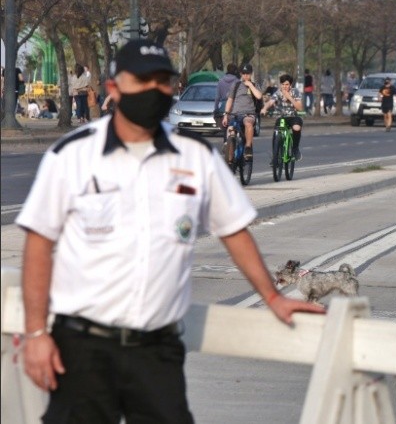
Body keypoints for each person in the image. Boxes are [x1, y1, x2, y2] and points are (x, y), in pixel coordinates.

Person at [16, 39, 324, 423]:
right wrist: (35, 334)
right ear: (114, 89)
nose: (154, 90)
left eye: (163, 81)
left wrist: (274, 297)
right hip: (82, 348)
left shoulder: (196, 156)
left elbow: (234, 230)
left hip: (157, 351)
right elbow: (38, 244)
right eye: (142, 80)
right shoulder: (72, 156)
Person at [222, 63, 262, 161]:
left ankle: (248, 147)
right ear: (240, 74)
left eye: (247, 73)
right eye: (243, 74)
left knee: (248, 123)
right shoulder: (236, 85)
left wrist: (250, 86)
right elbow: (230, 100)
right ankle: (230, 158)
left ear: (251, 74)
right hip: (235, 114)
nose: (245, 76)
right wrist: (226, 115)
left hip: (249, 114)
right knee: (230, 130)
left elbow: (259, 96)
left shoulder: (255, 85)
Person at [262, 73, 304, 160]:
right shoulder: (278, 93)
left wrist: (289, 97)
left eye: (287, 84)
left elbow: (299, 108)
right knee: (277, 132)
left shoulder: (295, 92)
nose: (285, 86)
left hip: (294, 117)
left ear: (290, 85)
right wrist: (264, 108)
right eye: (283, 84)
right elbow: (270, 102)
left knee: (296, 128)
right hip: (281, 117)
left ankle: (295, 148)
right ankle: (275, 157)